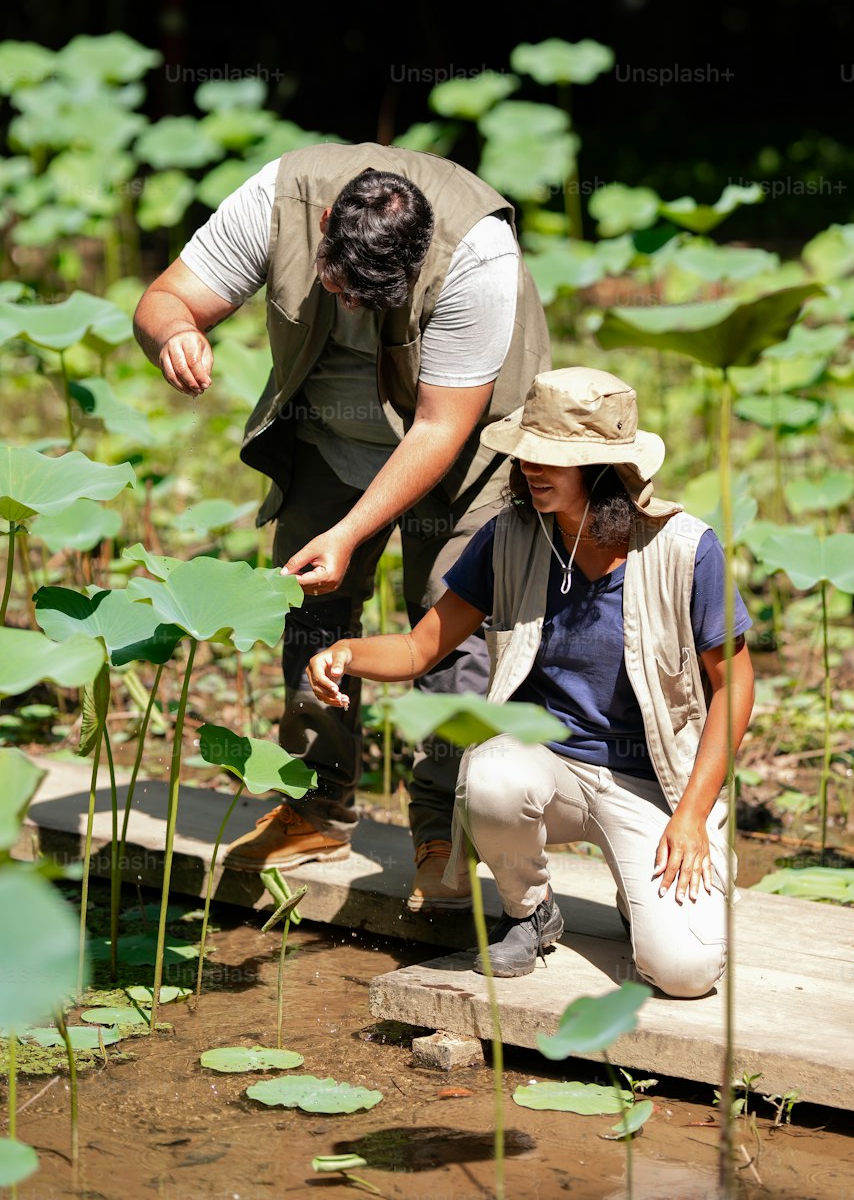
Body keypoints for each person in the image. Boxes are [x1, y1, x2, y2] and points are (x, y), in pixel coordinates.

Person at [133, 142, 550, 911]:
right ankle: (317, 805)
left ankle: (441, 827)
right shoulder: (275, 200)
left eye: (376, 296)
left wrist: (353, 530)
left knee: (449, 624)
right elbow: (164, 297)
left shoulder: (478, 254)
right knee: (306, 609)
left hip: (464, 449)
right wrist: (176, 333)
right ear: (324, 226)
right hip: (330, 430)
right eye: (341, 288)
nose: (354, 307)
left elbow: (437, 430)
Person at [305, 367, 755, 995]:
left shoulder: (685, 550)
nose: (531, 469)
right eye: (526, 454)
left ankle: (645, 892)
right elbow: (419, 648)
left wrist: (692, 814)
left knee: (684, 974)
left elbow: (734, 688)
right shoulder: (511, 537)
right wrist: (344, 653)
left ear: (603, 468)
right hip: (548, 769)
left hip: (656, 786)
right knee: (490, 773)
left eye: (553, 459)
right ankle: (531, 911)